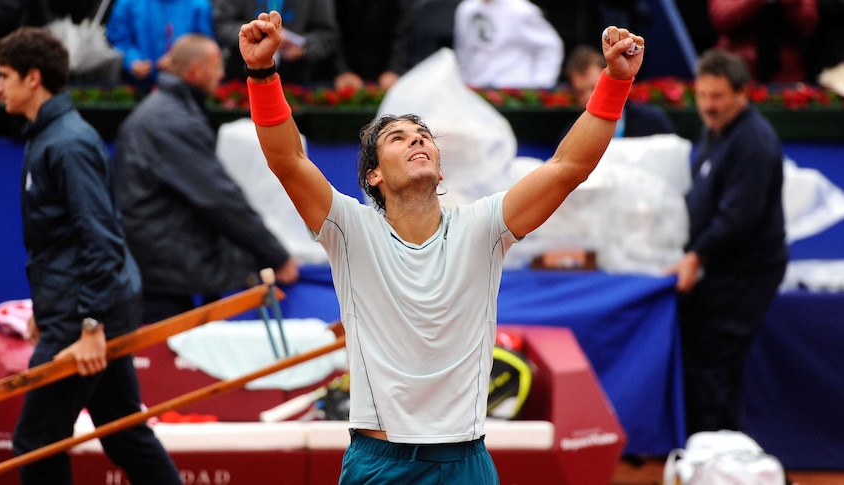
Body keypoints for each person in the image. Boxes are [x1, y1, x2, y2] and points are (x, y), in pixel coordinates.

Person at [239, 11, 644, 483]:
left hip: (465, 464)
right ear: (373, 175)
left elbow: (567, 167)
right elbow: (287, 160)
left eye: (424, 136)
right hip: (378, 465)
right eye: (398, 137)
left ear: (440, 167)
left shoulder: (484, 226)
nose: (417, 140)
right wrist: (263, 72)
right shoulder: (348, 228)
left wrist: (614, 81)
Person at [0, 27, 182, 484]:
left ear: (33, 78)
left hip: (85, 320)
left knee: (36, 443)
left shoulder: (67, 142)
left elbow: (101, 238)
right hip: (81, 311)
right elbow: (61, 243)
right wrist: (48, 309)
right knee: (123, 434)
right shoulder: (50, 135)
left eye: (3, 76)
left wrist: (91, 325)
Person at [113, 33, 299, 324]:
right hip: (161, 274)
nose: (222, 74)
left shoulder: (164, 112)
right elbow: (219, 198)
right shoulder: (172, 122)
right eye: (216, 66)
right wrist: (276, 255)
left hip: (152, 266)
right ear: (195, 71)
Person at [665, 49, 788, 435]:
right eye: (702, 95)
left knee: (715, 364)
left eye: (717, 97)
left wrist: (695, 257)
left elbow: (737, 219)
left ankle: (715, 455)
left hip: (744, 274)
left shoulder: (753, 142)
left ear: (741, 94)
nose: (708, 105)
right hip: (719, 269)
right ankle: (717, 452)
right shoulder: (714, 131)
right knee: (710, 364)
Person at [213, 0, 342, 85]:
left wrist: (304, 48)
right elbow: (222, 24)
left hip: (300, 81)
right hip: (243, 79)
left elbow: (328, 34)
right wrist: (255, 34)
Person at [565, 44, 674, 138]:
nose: (588, 97)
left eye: (594, 88)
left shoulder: (654, 121)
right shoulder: (571, 135)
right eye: (580, 92)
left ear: (609, 80)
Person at [453, 0, 564, 89]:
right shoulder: (465, 9)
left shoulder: (520, 10)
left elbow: (550, 46)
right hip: (475, 91)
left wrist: (539, 87)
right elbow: (463, 51)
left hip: (511, 93)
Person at [105, 0, 214, 90]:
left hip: (182, 87)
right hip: (136, 86)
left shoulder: (199, 5)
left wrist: (178, 59)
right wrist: (133, 61)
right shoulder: (127, 3)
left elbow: (203, 42)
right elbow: (117, 39)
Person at [708, 0, 819, 83]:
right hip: (735, 73)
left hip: (787, 75)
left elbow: (808, 26)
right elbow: (721, 19)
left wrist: (791, 3)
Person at [332, 0, 411, 90]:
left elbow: (403, 33)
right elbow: (332, 30)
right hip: (344, 74)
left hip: (387, 73)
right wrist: (343, 71)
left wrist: (393, 70)